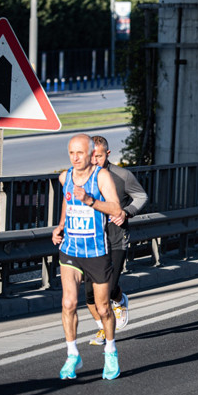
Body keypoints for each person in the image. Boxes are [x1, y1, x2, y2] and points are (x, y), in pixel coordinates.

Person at [51, 134, 126, 380]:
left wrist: (91, 201)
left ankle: (111, 351)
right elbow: (67, 200)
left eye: (80, 153)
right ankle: (72, 355)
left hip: (96, 251)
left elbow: (116, 208)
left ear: (91, 153)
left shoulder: (101, 177)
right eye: (71, 153)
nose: (75, 158)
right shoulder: (66, 176)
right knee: (68, 303)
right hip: (71, 249)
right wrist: (60, 226)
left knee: (104, 308)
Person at [86, 136, 148, 346]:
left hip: (116, 238)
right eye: (92, 156)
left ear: (108, 154)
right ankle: (102, 329)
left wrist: (126, 212)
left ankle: (120, 300)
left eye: (100, 156)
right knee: (89, 294)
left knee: (108, 288)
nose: (95, 160)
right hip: (91, 241)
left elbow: (141, 197)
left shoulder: (122, 175)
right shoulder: (84, 177)